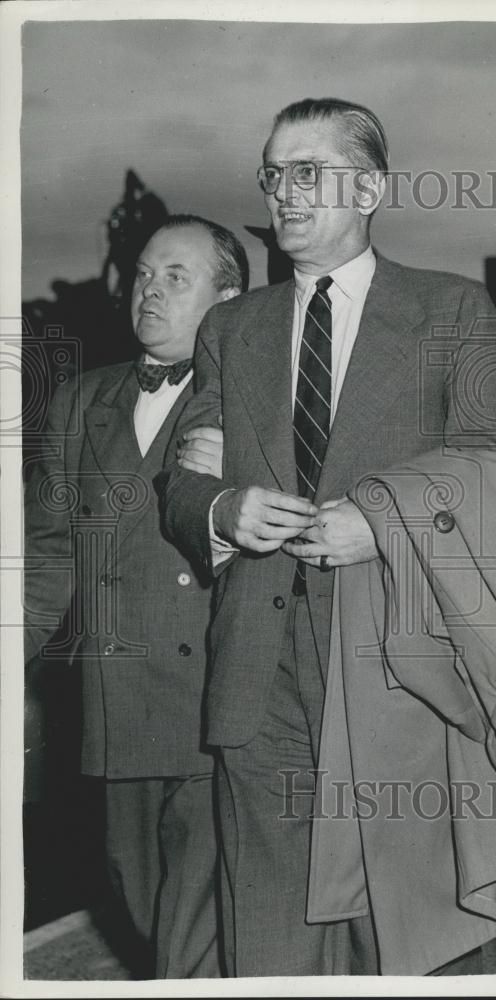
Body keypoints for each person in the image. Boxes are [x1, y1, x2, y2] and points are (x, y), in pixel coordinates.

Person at [161, 98, 496, 977]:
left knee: (417, 937)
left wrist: (380, 520)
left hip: (400, 674)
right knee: (269, 947)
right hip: (259, 679)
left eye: (310, 171)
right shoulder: (231, 327)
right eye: (274, 174)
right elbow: (184, 481)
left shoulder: (451, 309)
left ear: (371, 188)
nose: (285, 192)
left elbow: (494, 470)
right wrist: (223, 511)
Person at [24, 215, 248, 978]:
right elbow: (49, 556)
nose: (150, 291)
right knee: (139, 906)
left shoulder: (261, 402)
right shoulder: (80, 400)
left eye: (176, 278)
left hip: (216, 711)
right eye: (144, 275)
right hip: (115, 709)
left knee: (192, 940)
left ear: (228, 298)